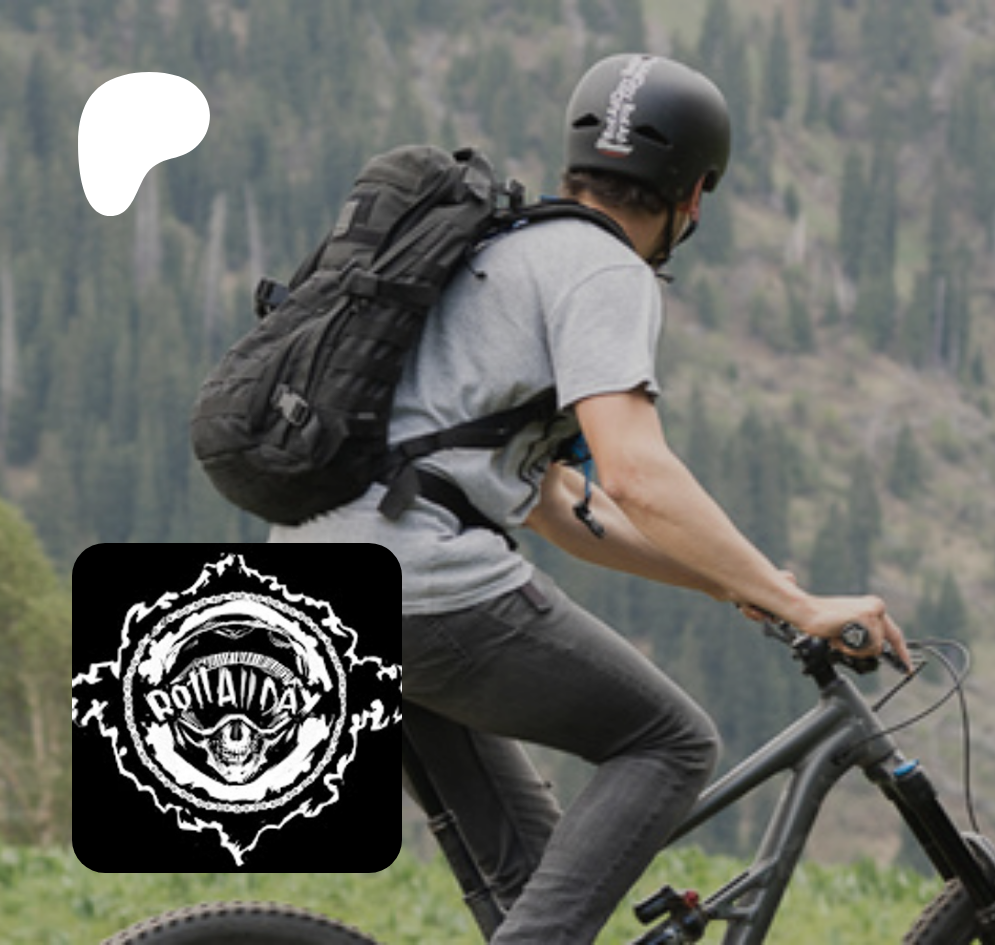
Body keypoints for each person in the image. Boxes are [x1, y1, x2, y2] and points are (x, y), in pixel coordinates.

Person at [271, 53, 909, 944]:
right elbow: (635, 472)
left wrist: (741, 583)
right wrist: (800, 604)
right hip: (424, 588)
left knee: (536, 889)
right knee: (671, 741)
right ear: (693, 197)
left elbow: (561, 504)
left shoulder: (502, 246)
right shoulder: (603, 268)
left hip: (325, 584)